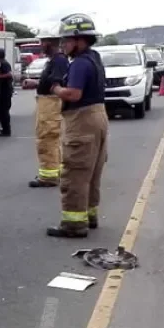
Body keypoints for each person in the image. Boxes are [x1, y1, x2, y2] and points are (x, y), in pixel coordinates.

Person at [46, 13, 109, 238]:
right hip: (99, 117)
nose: (63, 45)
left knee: (75, 172)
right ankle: (89, 215)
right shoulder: (95, 57)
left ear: (79, 39)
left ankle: (74, 224)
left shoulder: (80, 63)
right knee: (92, 171)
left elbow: (73, 94)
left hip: (82, 120)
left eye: (66, 40)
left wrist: (55, 89)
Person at [22, 29, 70, 187]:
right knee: (51, 139)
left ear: (49, 42)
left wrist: (40, 84)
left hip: (50, 103)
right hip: (47, 102)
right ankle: (56, 171)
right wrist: (36, 83)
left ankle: (48, 176)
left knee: (46, 139)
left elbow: (56, 82)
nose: (40, 45)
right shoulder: (55, 60)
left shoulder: (59, 61)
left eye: (42, 42)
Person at [0, 48, 14, 137]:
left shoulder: (4, 64)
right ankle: (4, 128)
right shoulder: (3, 64)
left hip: (6, 91)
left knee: (3, 111)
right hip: (4, 90)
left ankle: (6, 130)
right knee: (1, 111)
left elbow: (9, 74)